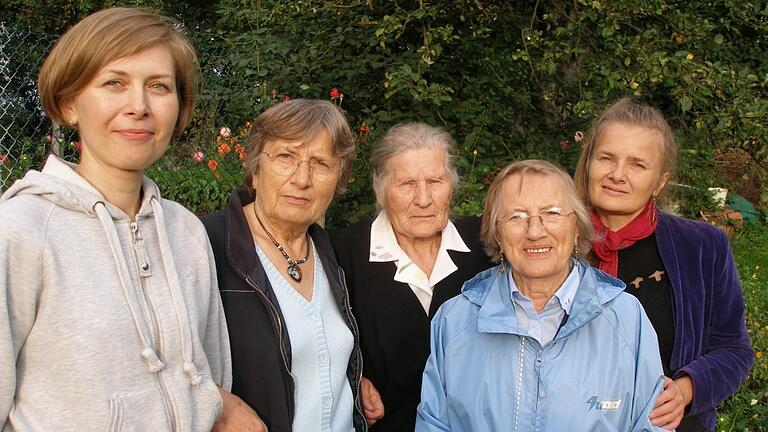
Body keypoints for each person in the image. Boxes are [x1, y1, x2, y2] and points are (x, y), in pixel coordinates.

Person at [0, 7, 231, 431]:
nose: (139, 106)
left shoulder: (186, 232)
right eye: (114, 83)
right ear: (70, 103)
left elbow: (211, 381)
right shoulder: (19, 231)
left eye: (159, 87)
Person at [416, 159, 667, 431]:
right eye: (516, 216)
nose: (535, 231)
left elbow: (651, 424)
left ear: (577, 228)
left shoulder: (625, 318)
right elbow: (433, 424)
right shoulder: (455, 320)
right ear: (497, 234)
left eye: (552, 213)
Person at [574, 98, 754, 432]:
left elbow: (733, 349)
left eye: (637, 165)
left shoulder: (701, 247)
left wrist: (687, 389)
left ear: (660, 181)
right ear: (588, 163)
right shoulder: (550, 238)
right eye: (606, 158)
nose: (617, 175)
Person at [202, 99, 365, 432]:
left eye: (321, 163)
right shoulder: (205, 244)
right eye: (286, 157)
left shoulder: (330, 253)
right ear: (256, 168)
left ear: (338, 179)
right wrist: (215, 403)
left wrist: (357, 378)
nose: (302, 178)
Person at [332, 122, 494, 431]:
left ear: (452, 185)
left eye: (435, 180)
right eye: (406, 183)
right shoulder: (342, 254)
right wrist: (353, 377)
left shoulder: (486, 246)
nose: (423, 198)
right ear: (381, 191)